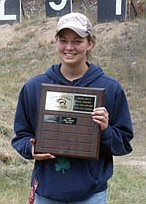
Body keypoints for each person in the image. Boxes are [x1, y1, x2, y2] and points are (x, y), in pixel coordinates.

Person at [11, 12, 133, 204]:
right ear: (56, 42)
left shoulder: (111, 89)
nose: (69, 47)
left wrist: (105, 130)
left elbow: (124, 144)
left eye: (77, 41)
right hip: (46, 193)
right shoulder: (33, 88)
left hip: (91, 195)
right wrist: (31, 148)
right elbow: (21, 136)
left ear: (90, 43)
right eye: (63, 40)